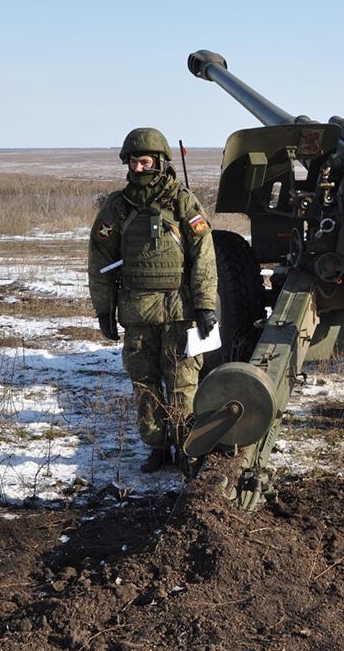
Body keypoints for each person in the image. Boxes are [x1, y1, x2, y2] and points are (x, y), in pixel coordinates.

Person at [87, 127, 219, 472]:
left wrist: (206, 305)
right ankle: (157, 446)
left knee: (183, 384)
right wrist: (104, 310)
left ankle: (187, 448)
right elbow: (99, 259)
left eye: (144, 161)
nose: (138, 168)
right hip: (137, 313)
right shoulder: (117, 207)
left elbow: (204, 256)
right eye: (133, 162)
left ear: (160, 162)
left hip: (180, 312)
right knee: (144, 385)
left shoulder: (183, 202)